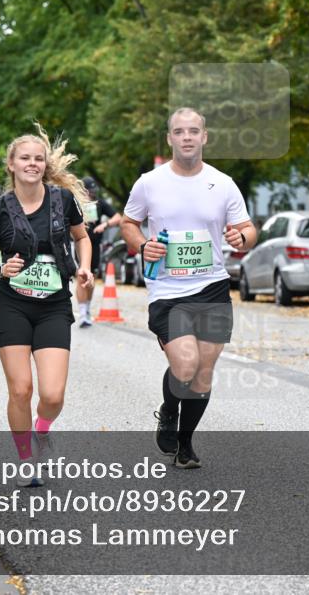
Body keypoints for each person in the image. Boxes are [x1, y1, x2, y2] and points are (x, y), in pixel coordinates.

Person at [120, 107, 257, 469]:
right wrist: (141, 244)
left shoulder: (223, 183)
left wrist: (240, 236)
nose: (186, 137)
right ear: (170, 139)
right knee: (185, 366)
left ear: (204, 137)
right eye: (179, 132)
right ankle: (168, 411)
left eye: (193, 131)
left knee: (203, 372)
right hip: (167, 288)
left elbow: (248, 229)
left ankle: (185, 443)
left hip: (212, 285)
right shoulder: (149, 182)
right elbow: (129, 222)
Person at [0, 126, 93, 487]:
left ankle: (42, 429)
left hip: (54, 303)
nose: (32, 163)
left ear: (45, 164)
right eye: (25, 158)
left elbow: (82, 237)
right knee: (21, 389)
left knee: (52, 395)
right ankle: (26, 457)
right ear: (11, 164)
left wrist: (84, 266)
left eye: (38, 158)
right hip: (11, 303)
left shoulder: (62, 200)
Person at [76, 176, 121, 327]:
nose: (92, 194)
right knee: (81, 276)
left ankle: (87, 308)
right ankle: (82, 313)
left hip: (95, 246)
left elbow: (118, 217)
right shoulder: (75, 203)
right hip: (79, 244)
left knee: (91, 277)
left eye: (94, 191)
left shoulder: (99, 204)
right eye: (89, 191)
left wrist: (105, 225)